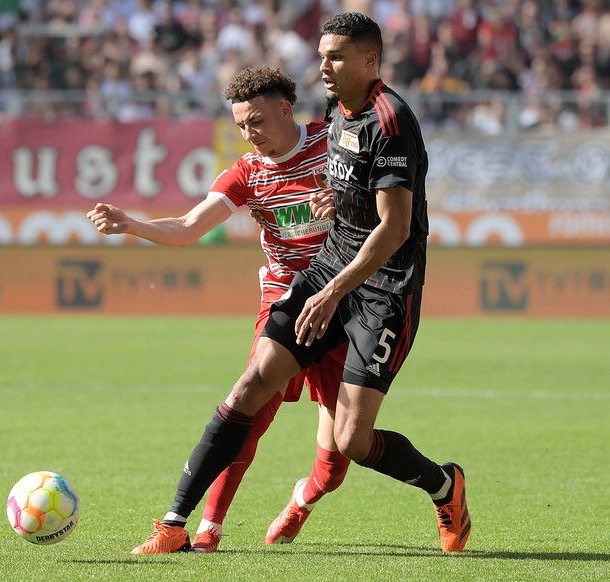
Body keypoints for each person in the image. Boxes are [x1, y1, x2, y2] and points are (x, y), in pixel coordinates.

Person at [129, 12, 471, 555]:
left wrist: (335, 291)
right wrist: (333, 203)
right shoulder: (337, 114)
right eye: (321, 56)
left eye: (335, 57)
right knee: (250, 389)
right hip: (322, 275)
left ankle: (444, 486)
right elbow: (349, 194)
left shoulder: (390, 120)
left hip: (381, 292)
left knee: (350, 445)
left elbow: (396, 225)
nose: (324, 67)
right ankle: (179, 523)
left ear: (370, 60)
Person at [87, 66, 350, 553]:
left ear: (285, 110)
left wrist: (344, 202)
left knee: (337, 462)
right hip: (285, 301)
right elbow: (189, 226)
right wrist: (131, 224)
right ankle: (204, 528)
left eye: (256, 122)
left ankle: (304, 497)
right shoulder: (247, 172)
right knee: (249, 408)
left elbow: (385, 198)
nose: (249, 135)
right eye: (241, 126)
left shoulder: (333, 144)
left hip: (343, 300)